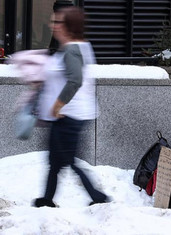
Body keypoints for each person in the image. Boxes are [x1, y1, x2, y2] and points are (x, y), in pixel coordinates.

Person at [33, 6, 109, 207]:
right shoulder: (73, 48)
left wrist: (58, 105)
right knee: (56, 162)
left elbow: (75, 80)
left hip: (68, 116)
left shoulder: (72, 50)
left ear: (69, 26)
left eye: (57, 22)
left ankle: (98, 198)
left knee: (68, 161)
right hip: (66, 116)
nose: (52, 26)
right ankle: (47, 199)